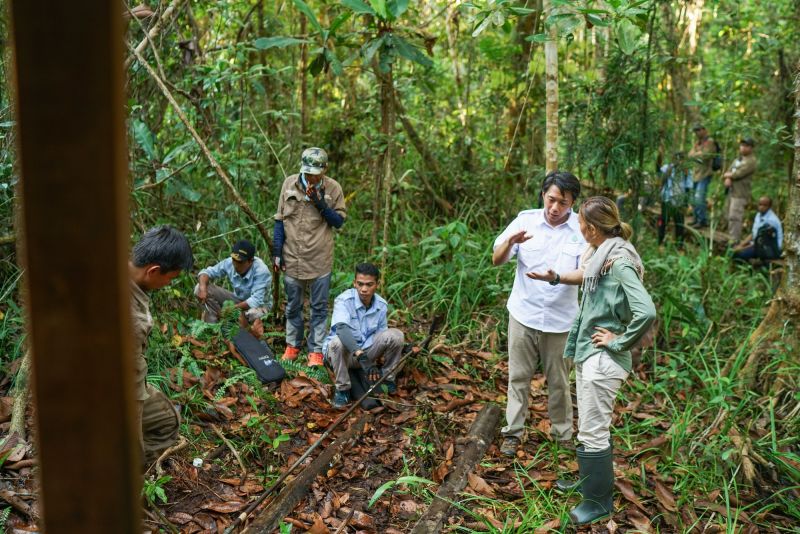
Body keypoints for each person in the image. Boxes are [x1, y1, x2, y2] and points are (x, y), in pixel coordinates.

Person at [554, 197, 656, 525]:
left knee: (593, 430)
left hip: (603, 358)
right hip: (590, 351)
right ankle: (591, 484)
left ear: (593, 229)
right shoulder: (601, 256)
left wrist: (619, 340)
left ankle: (598, 503)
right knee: (591, 427)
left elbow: (647, 311)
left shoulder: (619, 261)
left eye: (581, 223)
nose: (578, 227)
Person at [492, 171, 587, 457]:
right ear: (543, 195)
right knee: (518, 377)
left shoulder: (581, 230)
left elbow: (586, 272)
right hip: (524, 313)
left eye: (563, 203)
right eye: (551, 199)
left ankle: (563, 434)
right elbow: (496, 259)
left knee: (558, 381)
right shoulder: (525, 220)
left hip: (561, 320)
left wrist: (557, 277)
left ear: (572, 203)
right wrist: (510, 242)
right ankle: (513, 432)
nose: (555, 208)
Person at [273, 147, 347, 367]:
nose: (311, 177)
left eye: (316, 173)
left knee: (319, 307)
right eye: (308, 172)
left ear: (325, 170)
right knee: (293, 306)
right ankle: (292, 345)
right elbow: (279, 220)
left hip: (319, 258)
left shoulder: (333, 188)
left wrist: (320, 203)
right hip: (292, 257)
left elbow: (339, 222)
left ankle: (315, 349)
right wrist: (277, 252)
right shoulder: (289, 184)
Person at [129, 225, 194, 467]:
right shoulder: (134, 320)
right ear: (153, 270)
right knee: (165, 423)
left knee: (166, 414)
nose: (169, 283)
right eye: (171, 277)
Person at [323, 263, 404, 408]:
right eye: (360, 284)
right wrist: (361, 355)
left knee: (396, 335)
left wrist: (400, 347)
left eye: (369, 284)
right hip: (344, 354)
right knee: (337, 342)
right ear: (354, 283)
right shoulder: (344, 300)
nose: (364, 289)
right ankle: (342, 389)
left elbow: (382, 335)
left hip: (366, 354)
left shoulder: (381, 305)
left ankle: (387, 378)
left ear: (377, 284)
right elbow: (341, 328)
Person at [195, 239, 271, 328]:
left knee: (250, 315)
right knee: (198, 289)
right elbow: (207, 272)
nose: (236, 264)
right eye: (234, 260)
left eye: (240, 262)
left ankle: (232, 324)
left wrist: (230, 310)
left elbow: (256, 300)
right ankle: (213, 327)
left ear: (250, 261)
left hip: (258, 307)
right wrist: (203, 288)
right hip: (238, 301)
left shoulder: (261, 271)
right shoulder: (229, 262)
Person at [722, 138, 757, 242]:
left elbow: (738, 174)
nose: (742, 147)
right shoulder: (739, 159)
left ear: (751, 148)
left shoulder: (751, 161)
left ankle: (734, 240)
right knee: (728, 215)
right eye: (742, 145)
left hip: (740, 193)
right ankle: (730, 237)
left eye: (746, 146)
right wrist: (728, 176)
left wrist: (729, 176)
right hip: (731, 191)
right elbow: (729, 170)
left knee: (735, 216)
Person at [732, 196, 783, 262]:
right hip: (758, 244)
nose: (761, 207)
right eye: (760, 204)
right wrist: (741, 245)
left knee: (740, 254)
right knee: (732, 247)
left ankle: (748, 270)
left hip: (770, 249)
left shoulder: (771, 221)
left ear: (770, 206)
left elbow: (762, 242)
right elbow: (754, 233)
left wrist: (741, 248)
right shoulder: (759, 215)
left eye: (765, 205)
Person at [657, 152, 691, 247]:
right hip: (667, 199)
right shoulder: (668, 168)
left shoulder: (687, 171)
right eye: (678, 159)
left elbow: (688, 187)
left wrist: (686, 203)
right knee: (663, 221)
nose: (680, 162)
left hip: (679, 201)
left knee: (680, 224)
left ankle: (679, 246)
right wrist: (660, 155)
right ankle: (660, 243)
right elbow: (658, 171)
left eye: (682, 160)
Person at [687, 124, 717, 228]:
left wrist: (696, 154)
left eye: (698, 130)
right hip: (695, 174)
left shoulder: (710, 142)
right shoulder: (697, 143)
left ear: (704, 130)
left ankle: (702, 220)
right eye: (695, 131)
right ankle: (696, 219)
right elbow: (689, 155)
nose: (697, 133)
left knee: (699, 197)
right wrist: (697, 153)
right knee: (693, 198)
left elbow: (706, 155)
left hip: (704, 174)